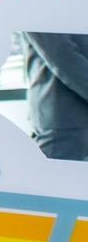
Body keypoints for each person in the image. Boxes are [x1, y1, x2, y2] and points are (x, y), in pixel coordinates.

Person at [21, 32, 88, 161]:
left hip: (70, 119)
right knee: (56, 178)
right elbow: (63, 56)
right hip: (64, 119)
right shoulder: (42, 13)